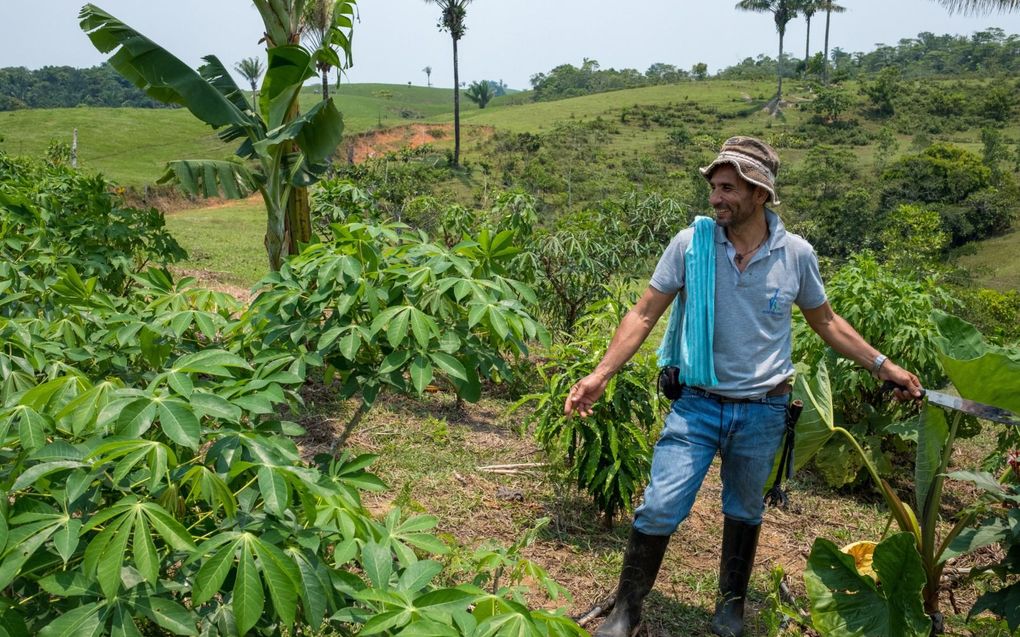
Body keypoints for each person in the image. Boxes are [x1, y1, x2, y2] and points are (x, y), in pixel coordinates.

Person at [564, 136, 922, 637]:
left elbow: (826, 321)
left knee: (744, 508)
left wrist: (882, 365)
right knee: (661, 504)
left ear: (760, 192)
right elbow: (644, 312)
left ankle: (730, 607)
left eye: (727, 188)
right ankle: (627, 610)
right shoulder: (691, 246)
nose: (715, 199)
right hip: (697, 405)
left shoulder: (795, 254)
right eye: (713, 188)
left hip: (763, 410)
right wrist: (600, 375)